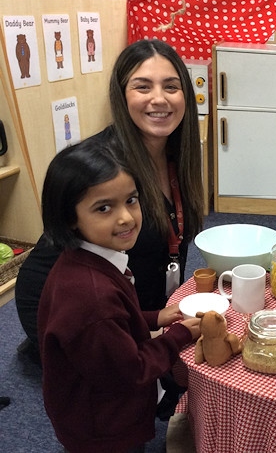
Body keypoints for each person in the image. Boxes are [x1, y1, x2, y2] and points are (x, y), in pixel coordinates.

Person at [15, 39, 204, 363]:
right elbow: (59, 258)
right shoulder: (103, 168)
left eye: (171, 86)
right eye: (142, 87)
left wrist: (156, 318)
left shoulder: (179, 156)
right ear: (121, 95)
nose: (159, 98)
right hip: (86, 319)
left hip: (136, 312)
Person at [37, 140, 201, 453]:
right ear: (70, 216)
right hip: (103, 427)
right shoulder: (92, 298)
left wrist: (155, 317)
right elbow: (132, 370)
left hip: (92, 407)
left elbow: (116, 328)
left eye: (131, 200)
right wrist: (177, 335)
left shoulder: (88, 260)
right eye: (104, 208)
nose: (126, 217)